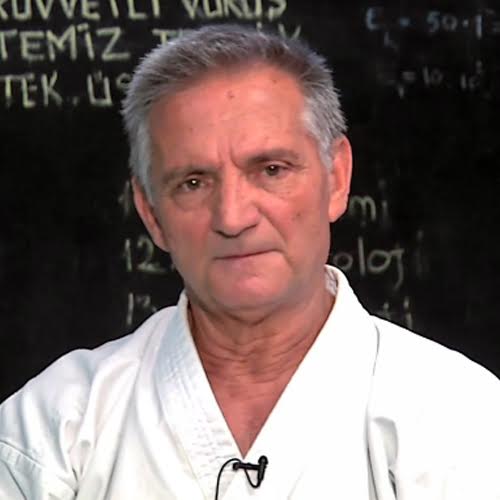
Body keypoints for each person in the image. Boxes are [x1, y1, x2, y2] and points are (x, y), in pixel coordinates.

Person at [0, 24, 499, 500]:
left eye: (271, 170)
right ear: (151, 212)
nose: (233, 217)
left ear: (336, 178)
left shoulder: (460, 418)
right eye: (193, 182)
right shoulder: (55, 425)